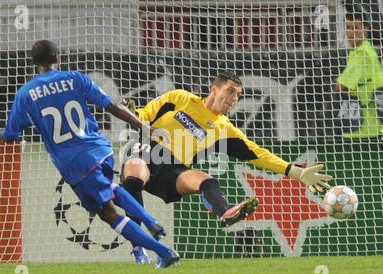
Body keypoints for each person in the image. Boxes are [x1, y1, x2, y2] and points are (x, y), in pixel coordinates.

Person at [0, 40, 179, 268]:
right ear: (58, 58)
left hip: (75, 163)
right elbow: (112, 105)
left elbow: (12, 135)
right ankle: (150, 221)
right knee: (110, 188)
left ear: (34, 63)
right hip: (101, 150)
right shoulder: (76, 78)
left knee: (107, 213)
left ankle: (163, 251)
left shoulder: (26, 94)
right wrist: (142, 126)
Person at [121, 71, 333, 264]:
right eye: (230, 91)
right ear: (214, 89)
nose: (234, 99)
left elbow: (258, 154)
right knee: (135, 179)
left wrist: (297, 172)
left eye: (238, 95)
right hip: (148, 151)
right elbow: (145, 114)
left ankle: (226, 213)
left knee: (207, 181)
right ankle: (139, 245)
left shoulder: (224, 129)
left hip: (174, 170)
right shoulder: (180, 98)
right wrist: (133, 114)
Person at [335, 4, 383, 138]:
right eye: (348, 28)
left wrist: (341, 85)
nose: (351, 32)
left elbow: (342, 85)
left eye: (356, 28)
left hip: (374, 108)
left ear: (366, 29)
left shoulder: (362, 53)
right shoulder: (365, 49)